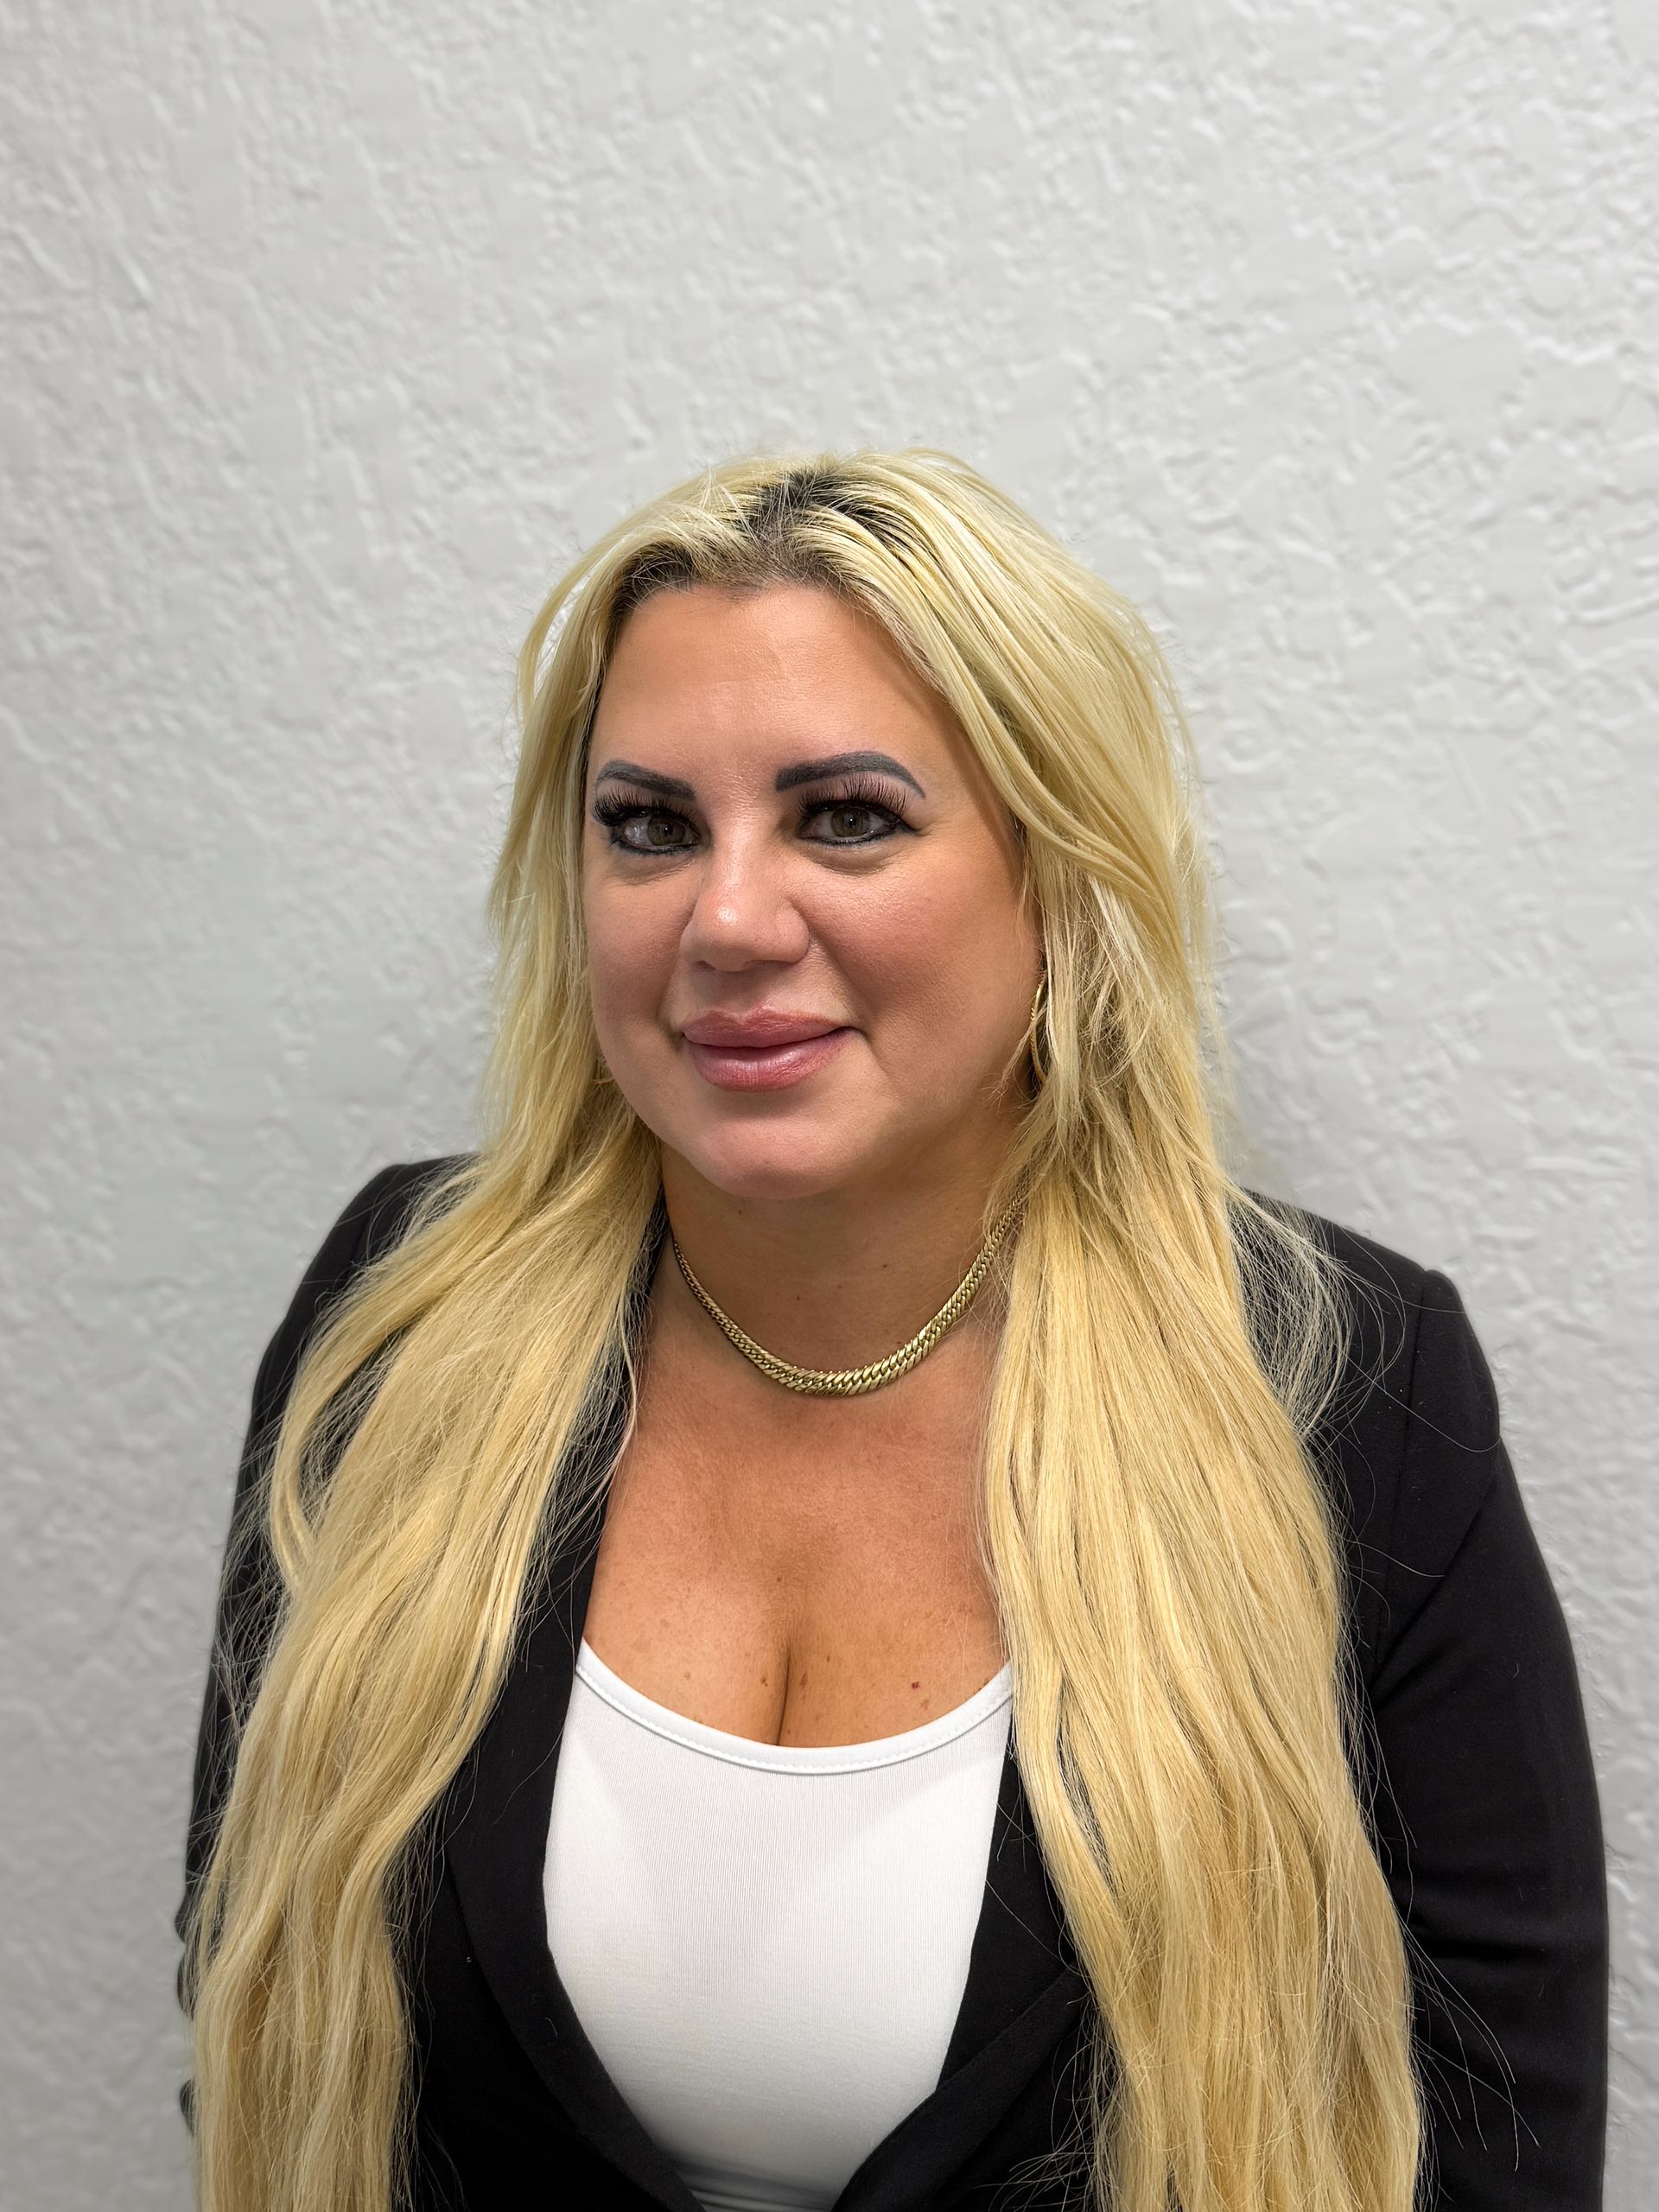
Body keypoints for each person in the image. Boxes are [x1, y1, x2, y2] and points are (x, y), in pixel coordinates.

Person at [176, 448, 1607, 2212]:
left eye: (846, 815)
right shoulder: (403, 1318)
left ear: (1054, 867)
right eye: (649, 825)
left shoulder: (1350, 1385)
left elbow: (1499, 2139)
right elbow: (254, 1999)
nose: (726, 918)